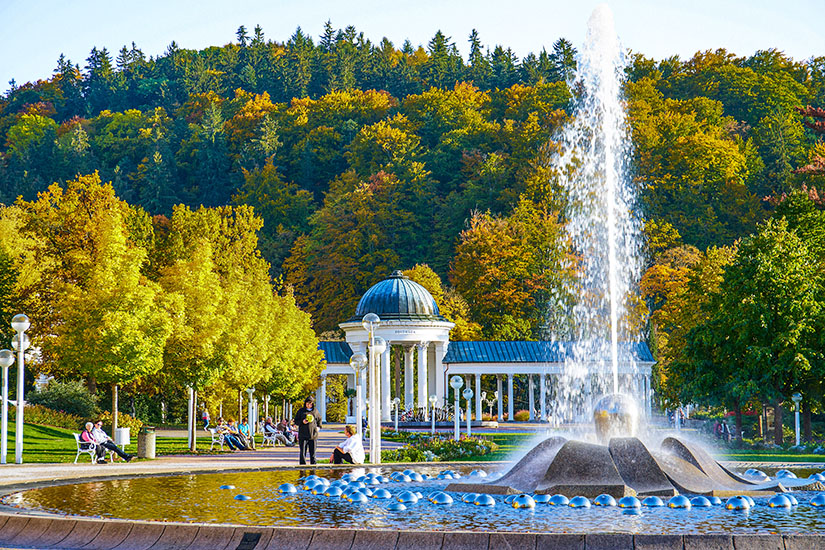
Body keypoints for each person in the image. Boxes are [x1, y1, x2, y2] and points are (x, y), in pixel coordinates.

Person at [294, 396, 322, 465]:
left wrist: (319, 427)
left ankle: (313, 468)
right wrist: (302, 421)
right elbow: (296, 421)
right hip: (303, 435)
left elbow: (319, 419)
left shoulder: (315, 411)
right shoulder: (301, 411)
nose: (309, 405)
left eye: (310, 404)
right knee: (303, 452)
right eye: (307, 403)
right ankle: (302, 468)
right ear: (305, 403)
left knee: (313, 453)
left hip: (313, 435)